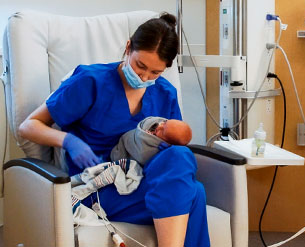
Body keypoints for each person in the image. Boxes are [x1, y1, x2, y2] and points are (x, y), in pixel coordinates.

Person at [17, 12, 208, 247]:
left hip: (142, 182)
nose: (144, 76)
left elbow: (172, 155)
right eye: (140, 66)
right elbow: (28, 126)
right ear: (128, 48)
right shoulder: (90, 81)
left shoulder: (165, 93)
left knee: (181, 160)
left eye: (155, 72)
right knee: (193, 193)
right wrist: (68, 141)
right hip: (99, 189)